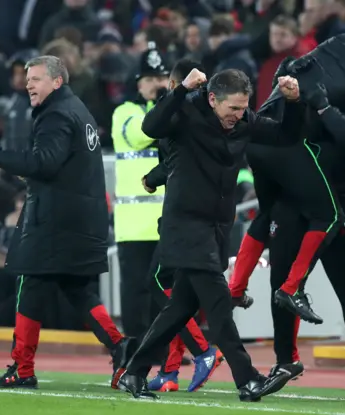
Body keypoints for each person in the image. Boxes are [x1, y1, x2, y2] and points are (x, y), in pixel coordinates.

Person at [116, 68, 304, 402]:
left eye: (243, 107)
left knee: (179, 309)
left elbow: (286, 136)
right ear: (213, 99)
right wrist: (180, 90)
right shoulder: (186, 112)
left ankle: (133, 372)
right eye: (233, 108)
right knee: (218, 306)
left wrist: (293, 103)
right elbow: (150, 127)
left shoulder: (243, 121)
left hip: (215, 230)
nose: (239, 115)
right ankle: (247, 378)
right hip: (185, 227)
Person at [229, 30, 345, 389]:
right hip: (298, 190)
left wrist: (322, 105)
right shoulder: (336, 86)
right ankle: (285, 361)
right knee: (284, 281)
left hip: (340, 195)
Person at [0, 55, 133, 389]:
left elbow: (45, 162)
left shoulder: (56, 113)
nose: (28, 83)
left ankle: (23, 367)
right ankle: (121, 347)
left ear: (57, 82)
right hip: (81, 217)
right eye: (27, 78)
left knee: (29, 284)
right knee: (76, 288)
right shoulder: (78, 110)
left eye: (35, 78)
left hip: (55, 220)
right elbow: (59, 165)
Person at [140, 59, 226, 393]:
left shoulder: (182, 112)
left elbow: (176, 156)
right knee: (175, 291)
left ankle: (203, 350)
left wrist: (153, 176)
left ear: (176, 84)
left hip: (184, 215)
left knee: (159, 284)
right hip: (204, 214)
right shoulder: (208, 114)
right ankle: (170, 372)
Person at [111, 41, 170, 344]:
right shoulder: (124, 112)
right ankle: (134, 350)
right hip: (134, 225)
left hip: (167, 220)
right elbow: (140, 134)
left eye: (160, 79)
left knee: (166, 290)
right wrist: (166, 107)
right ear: (138, 83)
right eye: (149, 79)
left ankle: (164, 349)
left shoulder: (172, 112)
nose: (155, 85)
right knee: (136, 292)